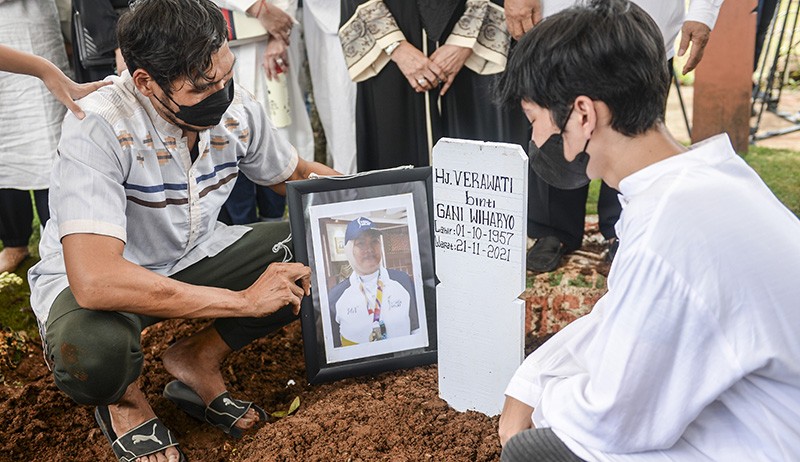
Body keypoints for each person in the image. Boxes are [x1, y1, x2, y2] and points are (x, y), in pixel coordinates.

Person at [27, 0, 338, 460]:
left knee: (317, 242)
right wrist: (243, 303)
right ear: (146, 82)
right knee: (91, 353)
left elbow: (293, 174)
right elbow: (95, 282)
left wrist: (391, 192)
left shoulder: (235, 107)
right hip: (103, 280)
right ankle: (127, 401)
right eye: (203, 86)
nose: (222, 91)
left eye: (225, 74)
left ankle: (197, 358)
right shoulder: (98, 126)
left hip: (194, 255)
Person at [495, 1, 800, 460]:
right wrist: (529, 382)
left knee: (533, 452)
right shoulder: (698, 182)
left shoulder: (669, 228)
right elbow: (617, 317)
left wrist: (531, 407)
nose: (535, 140)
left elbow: (610, 421)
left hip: (763, 440)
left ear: (582, 115)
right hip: (757, 415)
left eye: (535, 118)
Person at [504, 0, 722, 273]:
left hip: (644, 25)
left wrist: (704, 10)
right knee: (558, 127)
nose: (533, 138)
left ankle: (621, 229)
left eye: (531, 119)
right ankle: (553, 230)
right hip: (559, 26)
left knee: (629, 129)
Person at [339, 0, 528, 172]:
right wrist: (395, 46)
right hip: (392, 37)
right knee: (396, 162)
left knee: (485, 165)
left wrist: (466, 39)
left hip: (475, 37)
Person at [0, 0, 109, 275]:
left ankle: (65, 238)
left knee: (51, 138)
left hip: (36, 34)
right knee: (6, 144)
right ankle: (14, 241)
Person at [328, 217, 418, 347]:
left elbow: (417, 329)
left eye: (374, 241)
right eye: (361, 243)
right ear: (349, 250)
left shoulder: (403, 281)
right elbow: (335, 349)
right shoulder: (335, 296)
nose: (369, 249)